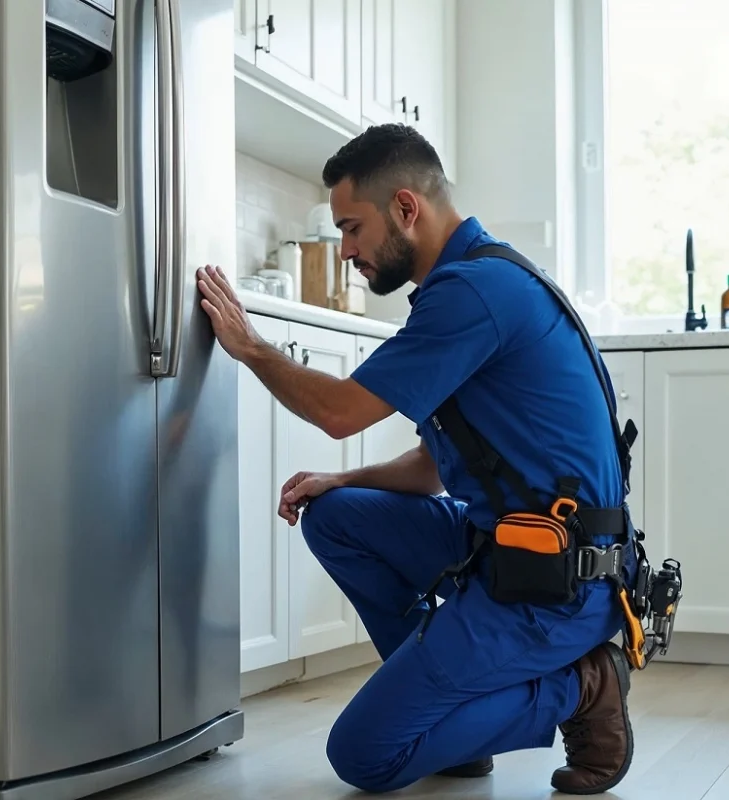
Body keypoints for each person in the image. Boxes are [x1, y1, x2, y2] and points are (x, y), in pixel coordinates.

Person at [194, 123, 635, 795]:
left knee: (365, 757)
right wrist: (342, 480)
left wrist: (252, 347)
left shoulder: (475, 292)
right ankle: (451, 717)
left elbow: (339, 413)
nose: (346, 251)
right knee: (335, 514)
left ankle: (583, 687)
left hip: (555, 581)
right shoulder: (471, 282)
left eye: (352, 228)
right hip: (506, 546)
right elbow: (437, 464)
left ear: (405, 208)